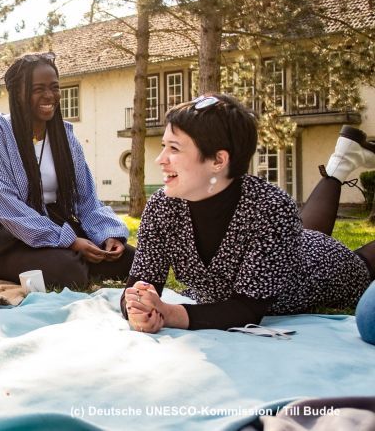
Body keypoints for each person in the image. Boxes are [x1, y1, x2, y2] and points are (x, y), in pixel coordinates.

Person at [123, 93, 375, 332]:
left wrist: (169, 314)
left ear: (218, 161)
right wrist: (137, 307)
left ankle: (343, 162)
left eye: (174, 148)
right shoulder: (162, 207)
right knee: (304, 230)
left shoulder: (271, 207)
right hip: (290, 243)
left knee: (362, 262)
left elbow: (246, 309)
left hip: (322, 267)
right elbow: (139, 283)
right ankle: (342, 162)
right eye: (164, 145)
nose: (160, 159)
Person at [0, 52, 134, 290]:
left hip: (60, 225)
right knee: (69, 271)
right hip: (12, 238)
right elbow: (7, 208)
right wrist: (70, 242)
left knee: (131, 260)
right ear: (18, 94)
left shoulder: (65, 137)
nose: (49, 95)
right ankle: (68, 263)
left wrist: (107, 235)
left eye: (54, 87)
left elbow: (86, 198)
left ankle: (76, 260)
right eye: (38, 89)